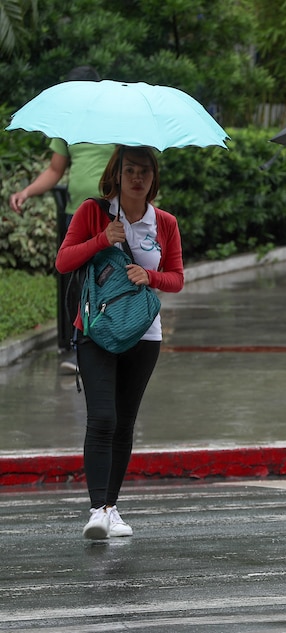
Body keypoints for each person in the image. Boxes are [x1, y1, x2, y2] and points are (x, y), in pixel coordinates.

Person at [54, 145, 184, 539]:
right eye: (130, 170)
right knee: (103, 418)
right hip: (95, 331)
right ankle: (96, 510)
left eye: (144, 171)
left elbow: (176, 277)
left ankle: (111, 507)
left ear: (153, 178)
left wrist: (152, 278)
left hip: (144, 335)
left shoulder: (164, 223)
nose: (137, 178)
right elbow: (63, 262)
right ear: (117, 172)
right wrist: (100, 239)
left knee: (125, 423)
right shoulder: (93, 212)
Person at [9, 65, 116, 370]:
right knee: (75, 281)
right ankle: (78, 347)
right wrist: (26, 192)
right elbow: (55, 171)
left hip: (110, 214)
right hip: (76, 215)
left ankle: (109, 344)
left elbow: (137, 167)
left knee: (107, 280)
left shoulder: (117, 124)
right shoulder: (70, 127)